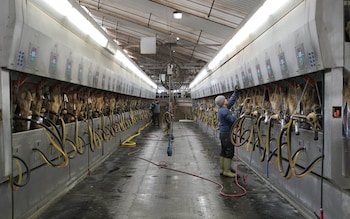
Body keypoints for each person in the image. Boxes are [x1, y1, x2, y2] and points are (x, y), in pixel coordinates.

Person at [215, 91, 238, 177]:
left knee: (223, 151)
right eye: (225, 99)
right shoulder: (224, 111)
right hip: (227, 134)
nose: (226, 100)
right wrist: (236, 112)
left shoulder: (222, 109)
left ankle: (222, 169)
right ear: (223, 102)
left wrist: (235, 93)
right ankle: (227, 171)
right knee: (229, 152)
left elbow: (230, 103)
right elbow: (232, 120)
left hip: (223, 134)